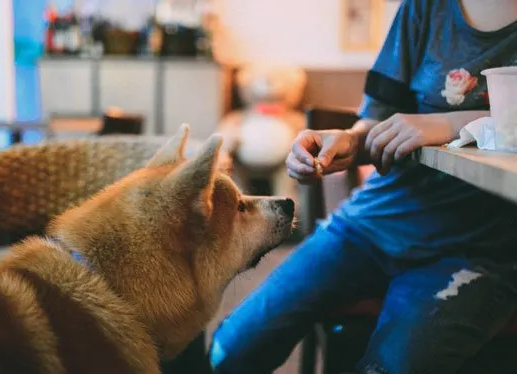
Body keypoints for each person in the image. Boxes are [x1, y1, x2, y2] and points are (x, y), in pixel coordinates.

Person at [208, 0, 517, 373]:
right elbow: (374, 124)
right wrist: (346, 142)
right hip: (371, 223)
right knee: (232, 347)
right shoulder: (424, 9)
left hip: (478, 250)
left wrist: (455, 122)